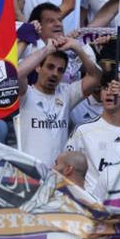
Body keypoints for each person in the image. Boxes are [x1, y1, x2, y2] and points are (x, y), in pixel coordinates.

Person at [17, 35, 100, 167]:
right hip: (29, 173)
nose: (55, 73)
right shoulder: (26, 93)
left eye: (60, 70)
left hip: (59, 175)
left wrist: (77, 47)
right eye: (50, 67)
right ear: (38, 68)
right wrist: (47, 50)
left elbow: (95, 77)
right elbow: (18, 74)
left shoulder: (67, 94)